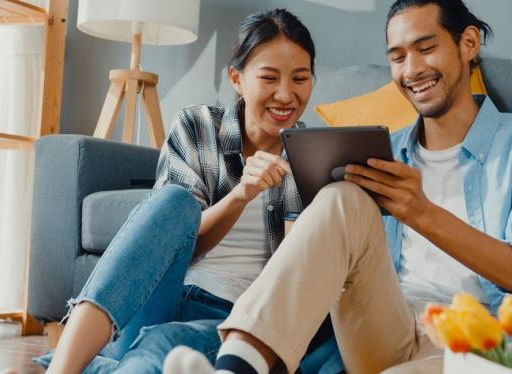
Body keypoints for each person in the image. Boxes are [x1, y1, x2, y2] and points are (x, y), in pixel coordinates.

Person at [168, 0, 512, 373]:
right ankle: (236, 368)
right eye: (397, 57)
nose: (411, 70)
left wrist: (421, 212)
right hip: (385, 330)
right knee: (342, 197)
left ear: (469, 43)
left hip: (479, 346)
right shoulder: (379, 151)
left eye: (426, 48)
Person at [35, 8, 341, 374]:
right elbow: (179, 239)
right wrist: (240, 194)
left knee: (162, 345)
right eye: (269, 77)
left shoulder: (316, 156)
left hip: (238, 318)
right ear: (237, 79)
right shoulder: (196, 127)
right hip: (166, 294)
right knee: (173, 200)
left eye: (300, 79)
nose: (286, 94)